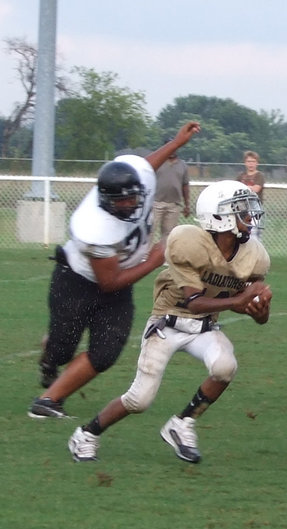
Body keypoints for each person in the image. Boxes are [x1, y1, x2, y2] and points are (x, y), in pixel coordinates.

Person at [67, 180, 270, 463]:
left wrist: (258, 311)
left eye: (249, 210)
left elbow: (245, 303)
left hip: (204, 327)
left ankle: (182, 423)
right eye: (241, 211)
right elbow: (194, 301)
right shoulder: (188, 241)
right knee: (139, 400)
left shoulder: (254, 255)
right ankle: (86, 434)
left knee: (225, 366)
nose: (250, 217)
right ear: (219, 216)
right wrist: (238, 302)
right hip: (168, 323)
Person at [29, 122, 201, 420]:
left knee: (106, 352)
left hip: (118, 285)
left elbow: (145, 168)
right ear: (106, 200)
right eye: (121, 200)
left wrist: (175, 143)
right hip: (77, 283)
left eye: (132, 197)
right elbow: (109, 282)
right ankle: (50, 355)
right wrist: (156, 257)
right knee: (61, 351)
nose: (130, 203)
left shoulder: (138, 183)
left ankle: (47, 402)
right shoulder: (94, 227)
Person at [151, 143, 190, 242]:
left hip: (173, 205)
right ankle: (146, 256)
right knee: (150, 230)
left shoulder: (182, 165)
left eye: (174, 148)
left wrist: (187, 205)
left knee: (169, 234)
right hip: (156, 203)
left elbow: (185, 185)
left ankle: (164, 256)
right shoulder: (158, 163)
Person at [237, 150, 267, 239]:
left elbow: (256, 189)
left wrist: (243, 187)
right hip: (242, 207)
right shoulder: (241, 176)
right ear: (245, 163)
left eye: (253, 162)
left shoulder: (259, 175)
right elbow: (234, 188)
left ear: (257, 163)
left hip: (254, 208)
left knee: (253, 233)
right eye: (249, 161)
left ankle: (256, 251)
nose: (251, 164)